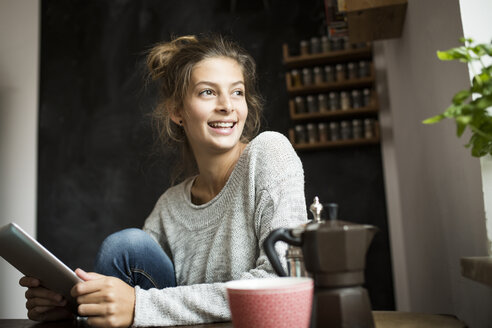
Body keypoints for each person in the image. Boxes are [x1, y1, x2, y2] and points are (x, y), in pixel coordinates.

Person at [19, 34, 307, 327]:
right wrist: (76, 307)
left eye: (237, 92)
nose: (227, 106)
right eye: (208, 92)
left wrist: (139, 305)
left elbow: (281, 278)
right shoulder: (170, 206)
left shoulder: (270, 153)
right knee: (125, 246)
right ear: (177, 112)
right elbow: (127, 294)